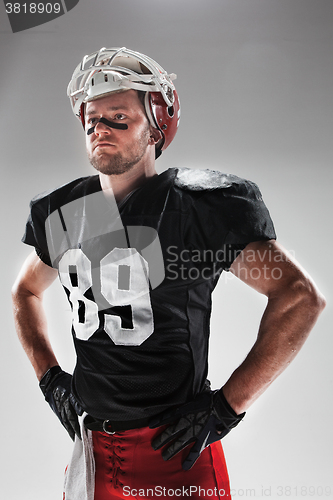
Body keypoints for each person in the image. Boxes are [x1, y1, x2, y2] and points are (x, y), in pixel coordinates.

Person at [12, 47, 325, 500]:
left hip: (175, 453)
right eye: (91, 118)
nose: (100, 127)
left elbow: (299, 297)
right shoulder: (62, 212)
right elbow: (25, 292)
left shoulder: (197, 206)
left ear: (158, 121)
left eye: (118, 116)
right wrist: (50, 378)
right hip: (93, 451)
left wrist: (226, 408)